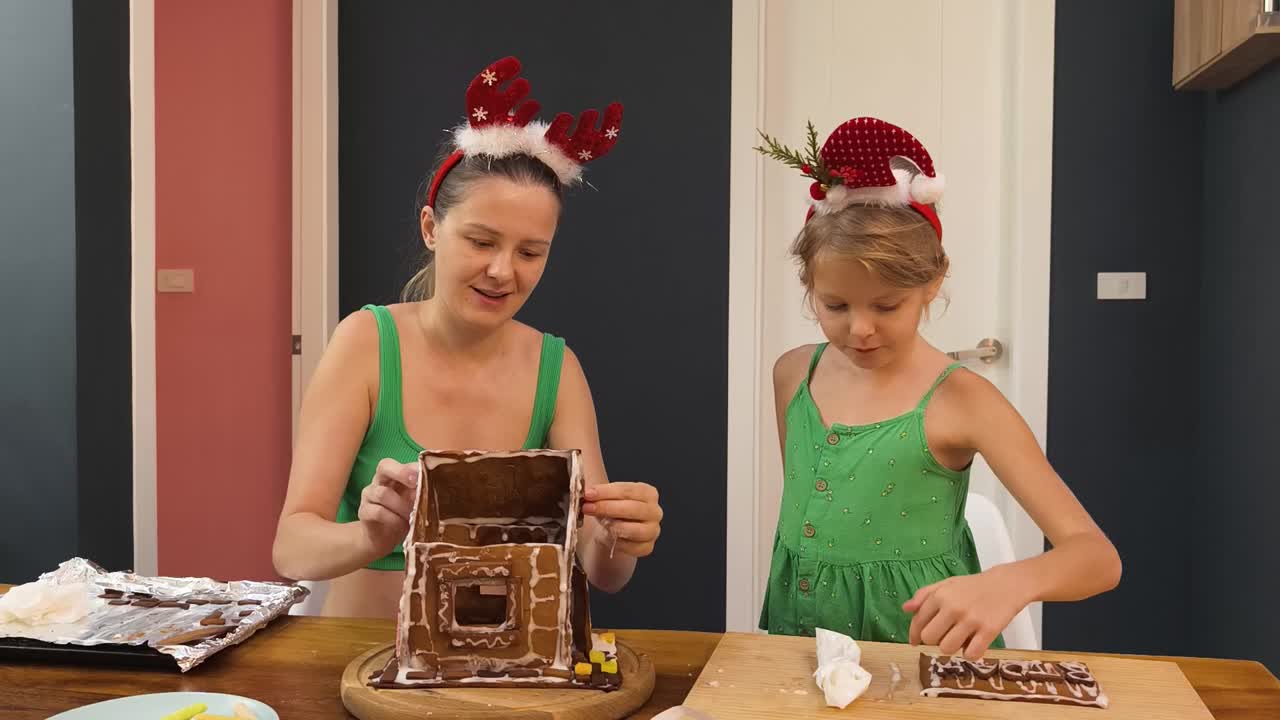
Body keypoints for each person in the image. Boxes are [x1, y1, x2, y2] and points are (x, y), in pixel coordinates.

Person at [272, 56, 662, 618]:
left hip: (503, 675)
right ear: (432, 228)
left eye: (531, 252)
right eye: (481, 241)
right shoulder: (366, 342)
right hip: (360, 667)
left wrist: (622, 535)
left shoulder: (556, 367)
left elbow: (602, 571)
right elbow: (293, 548)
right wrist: (372, 536)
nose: (504, 271)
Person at [754, 116, 1120, 659]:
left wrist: (1010, 582)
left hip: (924, 661)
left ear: (933, 282)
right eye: (835, 305)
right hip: (805, 653)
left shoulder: (963, 400)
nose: (859, 328)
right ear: (810, 285)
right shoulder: (793, 376)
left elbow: (1097, 558)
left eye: (886, 306)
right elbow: (816, 523)